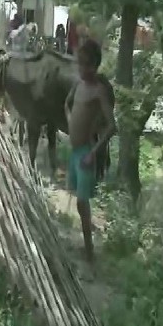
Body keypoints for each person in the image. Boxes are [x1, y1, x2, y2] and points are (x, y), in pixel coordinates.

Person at [64, 39, 116, 264]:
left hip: (86, 152)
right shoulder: (78, 85)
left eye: (86, 65)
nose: (82, 69)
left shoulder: (99, 90)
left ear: (95, 65)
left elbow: (112, 126)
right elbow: (67, 105)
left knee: (83, 202)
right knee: (78, 199)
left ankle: (89, 252)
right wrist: (69, 123)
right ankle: (85, 244)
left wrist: (93, 153)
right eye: (79, 65)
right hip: (74, 151)